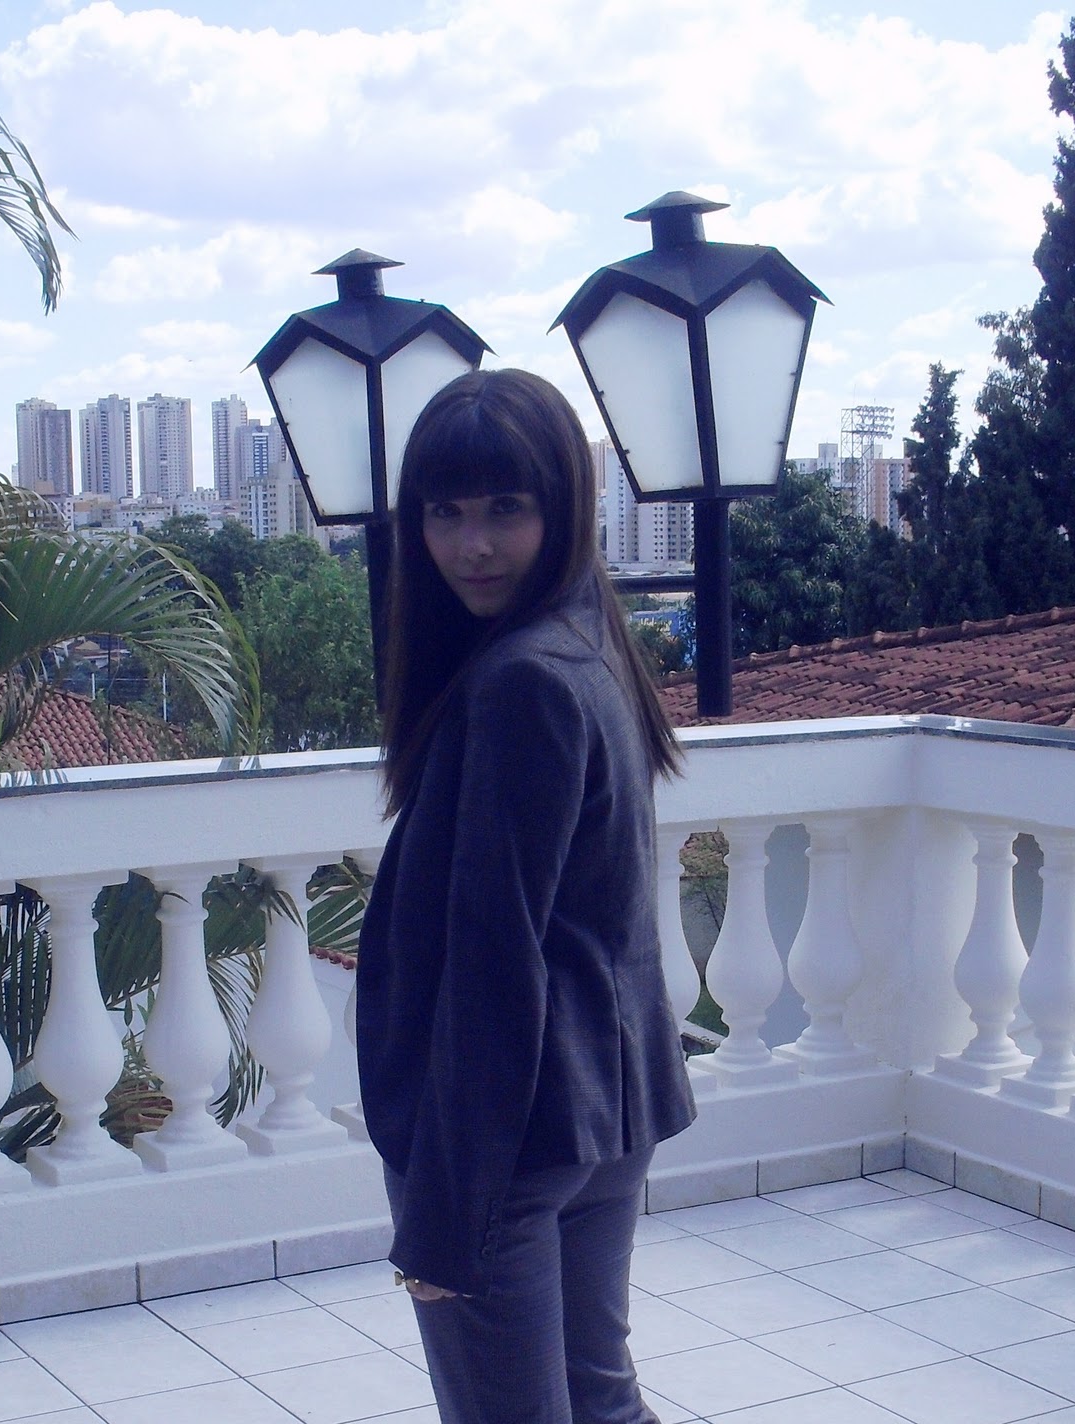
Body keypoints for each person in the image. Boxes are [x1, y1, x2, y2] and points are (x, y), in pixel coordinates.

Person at [356, 367, 697, 1423]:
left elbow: (492, 963)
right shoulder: (588, 644)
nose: (473, 546)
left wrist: (445, 1216)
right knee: (601, 1402)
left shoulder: (521, 681)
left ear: (563, 506)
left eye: (505, 508)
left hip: (509, 1140)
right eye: (445, 512)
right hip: (600, 1111)